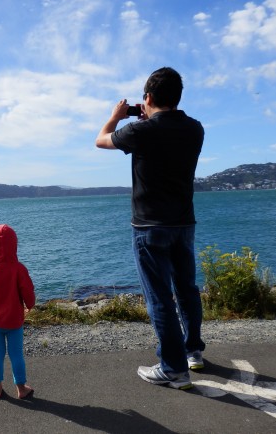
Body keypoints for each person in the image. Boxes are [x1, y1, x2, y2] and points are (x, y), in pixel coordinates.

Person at [95, 67, 206, 390]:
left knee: (159, 297)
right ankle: (193, 352)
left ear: (147, 97)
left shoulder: (139, 132)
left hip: (149, 227)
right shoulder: (195, 128)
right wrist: (146, 119)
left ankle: (172, 368)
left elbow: (100, 141)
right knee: (187, 290)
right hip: (184, 223)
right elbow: (166, 137)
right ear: (177, 97)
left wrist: (116, 116)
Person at [0, 224, 36, 399]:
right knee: (16, 354)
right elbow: (28, 291)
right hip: (14, 320)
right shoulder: (18, 268)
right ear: (14, 244)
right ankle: (21, 388)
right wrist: (30, 305)